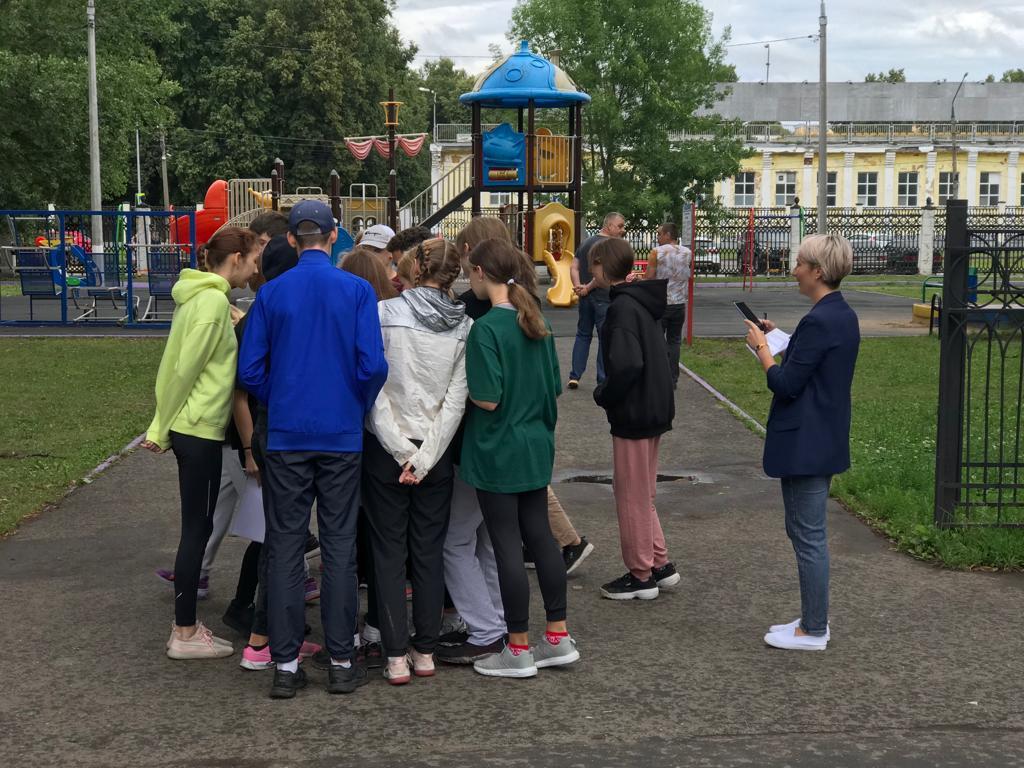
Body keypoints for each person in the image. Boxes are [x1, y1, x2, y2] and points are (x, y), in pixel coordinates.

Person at [238, 200, 388, 698]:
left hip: (287, 433)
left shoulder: (272, 293)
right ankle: (342, 659)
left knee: (284, 545)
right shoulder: (357, 291)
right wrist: (353, 403)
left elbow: (250, 369)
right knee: (340, 545)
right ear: (333, 234)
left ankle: (284, 665)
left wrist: (280, 397)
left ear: (292, 239)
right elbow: (373, 366)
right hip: (340, 432)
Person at [461, 238, 580, 678]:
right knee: (542, 539)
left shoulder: (486, 328)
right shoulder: (536, 321)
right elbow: (552, 386)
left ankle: (517, 647)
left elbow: (487, 398)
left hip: (497, 449)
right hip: (535, 444)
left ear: (479, 272)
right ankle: (557, 636)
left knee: (506, 546)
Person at [142, 226, 260, 659]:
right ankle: (185, 631)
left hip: (195, 426)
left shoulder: (204, 298)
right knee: (197, 530)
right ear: (236, 259)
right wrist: (160, 427)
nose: (255, 269)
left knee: (198, 527)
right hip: (199, 429)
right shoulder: (211, 303)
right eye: (252, 260)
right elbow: (181, 371)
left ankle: (187, 628)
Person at [744, 233, 859, 652]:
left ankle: (813, 629)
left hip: (806, 442)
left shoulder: (820, 320)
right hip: (823, 436)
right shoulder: (840, 314)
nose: (794, 271)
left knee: (808, 536)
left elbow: (787, 383)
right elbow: (815, 360)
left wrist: (762, 350)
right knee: (805, 532)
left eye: (799, 264)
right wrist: (783, 339)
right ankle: (812, 617)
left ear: (818, 271)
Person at [364, 237, 471, 684]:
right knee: (428, 551)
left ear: (415, 267)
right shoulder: (464, 324)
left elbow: (373, 386)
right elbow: (455, 401)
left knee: (388, 551)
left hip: (386, 446)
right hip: (435, 450)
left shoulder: (383, 313)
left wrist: (399, 449)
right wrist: (424, 457)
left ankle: (394, 655)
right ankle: (425, 650)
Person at [589, 238, 679, 601]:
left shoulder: (621, 309)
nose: (590, 271)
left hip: (634, 411)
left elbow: (627, 365)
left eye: (593, 264)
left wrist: (604, 394)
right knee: (643, 492)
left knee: (630, 495)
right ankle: (659, 562)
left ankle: (640, 574)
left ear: (601, 266)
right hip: (653, 406)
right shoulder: (640, 301)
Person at [568, 212, 626, 389]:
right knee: (604, 338)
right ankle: (602, 378)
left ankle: (575, 375)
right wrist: (587, 287)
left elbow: (574, 267)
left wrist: (578, 286)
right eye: (620, 226)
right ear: (609, 225)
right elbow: (603, 274)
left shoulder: (586, 242)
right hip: (603, 297)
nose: (623, 230)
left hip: (585, 299)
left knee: (583, 334)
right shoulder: (609, 246)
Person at [644, 221, 690, 387]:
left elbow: (649, 276)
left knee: (658, 339)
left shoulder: (656, 252)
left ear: (668, 234)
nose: (657, 237)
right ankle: (673, 378)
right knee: (675, 341)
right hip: (679, 303)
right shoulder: (688, 252)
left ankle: (659, 375)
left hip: (661, 302)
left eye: (659, 234)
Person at [358, 223, 399, 291]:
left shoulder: (403, 284)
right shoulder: (356, 282)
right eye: (365, 249)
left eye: (377, 250)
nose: (369, 254)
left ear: (392, 252)